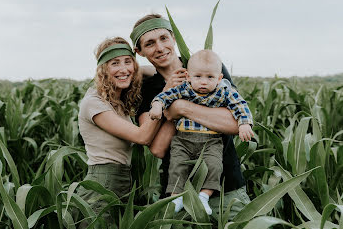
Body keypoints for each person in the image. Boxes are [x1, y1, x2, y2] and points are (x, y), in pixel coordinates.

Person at [130, 13, 252, 220]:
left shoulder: (207, 66)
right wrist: (168, 97)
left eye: (163, 38)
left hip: (226, 188)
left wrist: (180, 108)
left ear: (173, 38)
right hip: (178, 193)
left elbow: (233, 123)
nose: (160, 47)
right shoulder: (148, 88)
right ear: (139, 52)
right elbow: (158, 148)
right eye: (149, 44)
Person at [149, 49, 254, 214]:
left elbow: (240, 106)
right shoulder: (183, 88)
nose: (203, 82)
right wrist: (157, 106)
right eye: (198, 77)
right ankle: (176, 197)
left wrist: (245, 124)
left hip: (211, 140)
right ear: (189, 77)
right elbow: (164, 96)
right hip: (183, 139)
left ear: (219, 78)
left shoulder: (223, 91)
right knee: (178, 166)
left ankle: (203, 197)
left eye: (210, 77)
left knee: (213, 166)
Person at [77, 37, 161, 226]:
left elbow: (155, 70)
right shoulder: (94, 102)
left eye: (127, 61)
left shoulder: (117, 100)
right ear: (103, 69)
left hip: (124, 183)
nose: (123, 69)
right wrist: (163, 102)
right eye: (115, 63)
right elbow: (143, 136)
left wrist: (136, 67)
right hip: (101, 187)